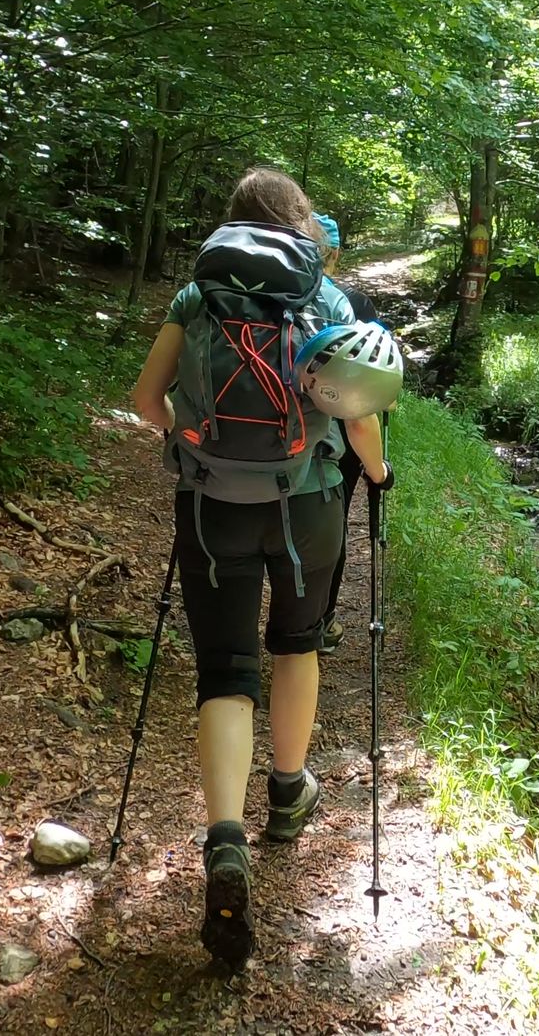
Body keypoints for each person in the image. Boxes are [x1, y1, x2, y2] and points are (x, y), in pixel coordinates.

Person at [129, 168, 390, 969]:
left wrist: (190, 438)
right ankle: (287, 791)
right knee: (296, 644)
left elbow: (145, 400)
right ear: (298, 222)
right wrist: (377, 477)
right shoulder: (326, 300)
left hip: (210, 508)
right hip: (305, 505)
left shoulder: (197, 296)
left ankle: (225, 844)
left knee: (223, 671)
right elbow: (360, 421)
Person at [311, 212, 383, 651]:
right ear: (335, 253)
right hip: (343, 433)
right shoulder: (355, 304)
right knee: (330, 524)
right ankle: (320, 619)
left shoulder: (275, 298)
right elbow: (383, 390)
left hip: (290, 429)